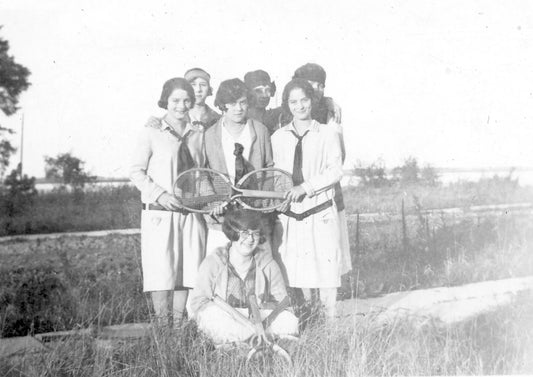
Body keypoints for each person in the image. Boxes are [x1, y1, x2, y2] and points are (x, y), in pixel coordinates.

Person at [130, 77, 207, 328]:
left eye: (186, 100)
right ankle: (163, 333)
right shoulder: (151, 131)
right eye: (175, 100)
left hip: (189, 214)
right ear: (166, 100)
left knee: (186, 271)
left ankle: (178, 329)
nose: (181, 105)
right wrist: (161, 195)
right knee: (161, 273)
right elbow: (136, 172)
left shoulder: (198, 132)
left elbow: (202, 171)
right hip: (160, 214)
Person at [271, 78, 352, 319]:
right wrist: (281, 195)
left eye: (304, 100)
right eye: (293, 102)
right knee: (298, 271)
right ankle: (307, 321)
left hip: (321, 211)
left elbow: (335, 170)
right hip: (291, 214)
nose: (299, 106)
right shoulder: (277, 137)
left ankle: (329, 324)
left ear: (312, 100)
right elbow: (276, 174)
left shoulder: (327, 133)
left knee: (326, 270)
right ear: (287, 105)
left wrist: (305, 187)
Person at [189, 208, 298, 345]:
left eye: (255, 234)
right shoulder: (214, 261)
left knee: (290, 321)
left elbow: (283, 303)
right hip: (227, 316)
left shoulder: (267, 263)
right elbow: (198, 302)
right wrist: (232, 315)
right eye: (245, 233)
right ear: (233, 233)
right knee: (212, 317)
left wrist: (261, 313)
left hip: (258, 319)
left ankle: (245, 340)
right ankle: (258, 339)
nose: (250, 239)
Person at [204, 78, 274, 253]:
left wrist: (261, 202)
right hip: (222, 218)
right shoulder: (210, 135)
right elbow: (204, 174)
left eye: (242, 102)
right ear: (222, 105)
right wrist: (214, 202)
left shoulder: (260, 130)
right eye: (232, 103)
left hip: (254, 216)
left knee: (258, 269)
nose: (238, 108)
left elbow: (269, 169)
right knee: (221, 268)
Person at [293, 62, 350, 270]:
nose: (316, 89)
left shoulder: (330, 114)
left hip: (324, 191)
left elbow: (339, 158)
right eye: (310, 84)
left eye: (320, 85)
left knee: (327, 254)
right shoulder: (287, 112)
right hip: (295, 194)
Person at [244, 68, 343, 134]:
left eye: (268, 90)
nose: (265, 95)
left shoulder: (276, 115)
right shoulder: (241, 118)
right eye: (258, 91)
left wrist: (328, 101)